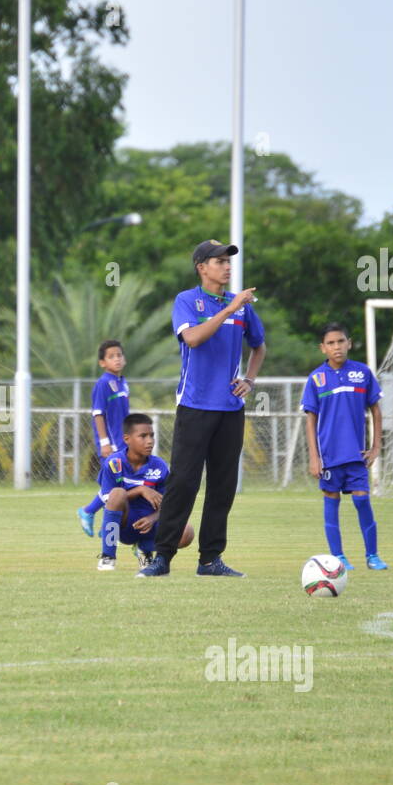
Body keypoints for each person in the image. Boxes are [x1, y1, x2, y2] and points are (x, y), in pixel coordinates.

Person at [138, 240, 265, 579]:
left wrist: (249, 381)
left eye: (228, 261)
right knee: (183, 482)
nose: (226, 266)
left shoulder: (242, 307)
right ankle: (161, 557)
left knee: (223, 485)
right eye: (219, 261)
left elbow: (259, 346)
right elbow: (193, 338)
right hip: (194, 406)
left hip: (230, 409)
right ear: (201, 267)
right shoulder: (186, 300)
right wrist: (228, 308)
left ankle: (210, 559)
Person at [302, 322, 388, 571]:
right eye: (331, 343)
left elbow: (376, 410)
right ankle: (338, 557)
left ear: (349, 343)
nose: (336, 347)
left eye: (341, 341)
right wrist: (314, 457)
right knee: (332, 502)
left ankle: (372, 556)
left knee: (362, 501)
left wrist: (375, 447)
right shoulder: (316, 379)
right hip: (329, 456)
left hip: (355, 455)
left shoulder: (362, 373)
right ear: (323, 348)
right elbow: (310, 420)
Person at [96, 413, 193, 571]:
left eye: (152, 436)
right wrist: (141, 490)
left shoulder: (160, 466)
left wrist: (152, 518)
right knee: (118, 493)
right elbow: (109, 500)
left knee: (187, 532)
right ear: (127, 439)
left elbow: (168, 504)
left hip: (151, 525)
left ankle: (145, 550)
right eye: (143, 436)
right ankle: (108, 557)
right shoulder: (114, 463)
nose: (150, 441)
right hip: (124, 526)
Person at [77, 339, 130, 537]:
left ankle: (91, 513)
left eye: (119, 355)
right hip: (113, 443)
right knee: (117, 486)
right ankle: (103, 523)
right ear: (102, 363)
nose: (117, 359)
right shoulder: (103, 384)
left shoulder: (122, 383)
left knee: (119, 485)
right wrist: (104, 442)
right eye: (111, 356)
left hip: (125, 442)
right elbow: (98, 413)